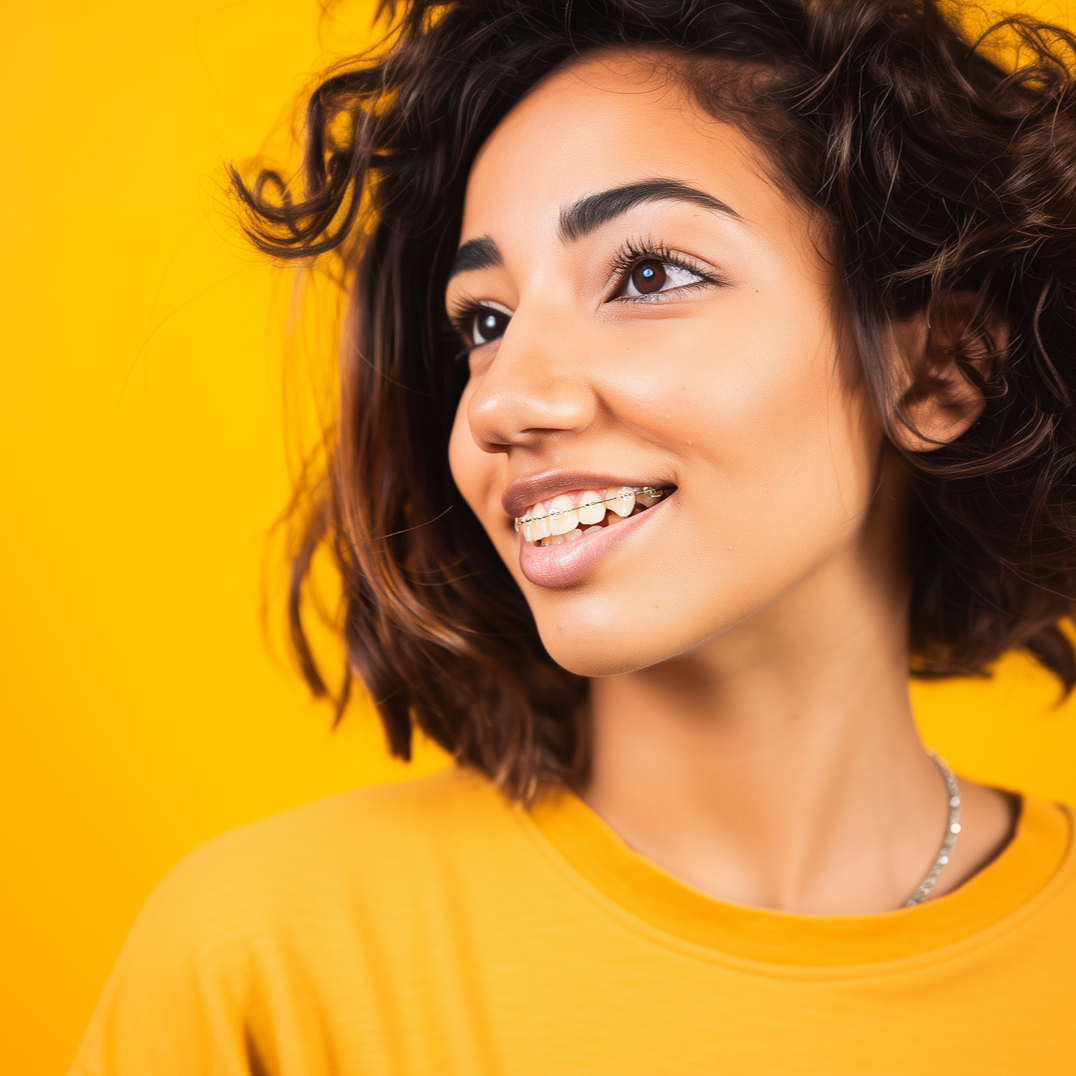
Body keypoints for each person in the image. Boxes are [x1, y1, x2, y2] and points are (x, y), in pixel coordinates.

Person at [71, 0, 1076, 1072]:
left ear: (940, 366)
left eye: (646, 274)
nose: (500, 402)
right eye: (484, 322)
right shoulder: (264, 967)